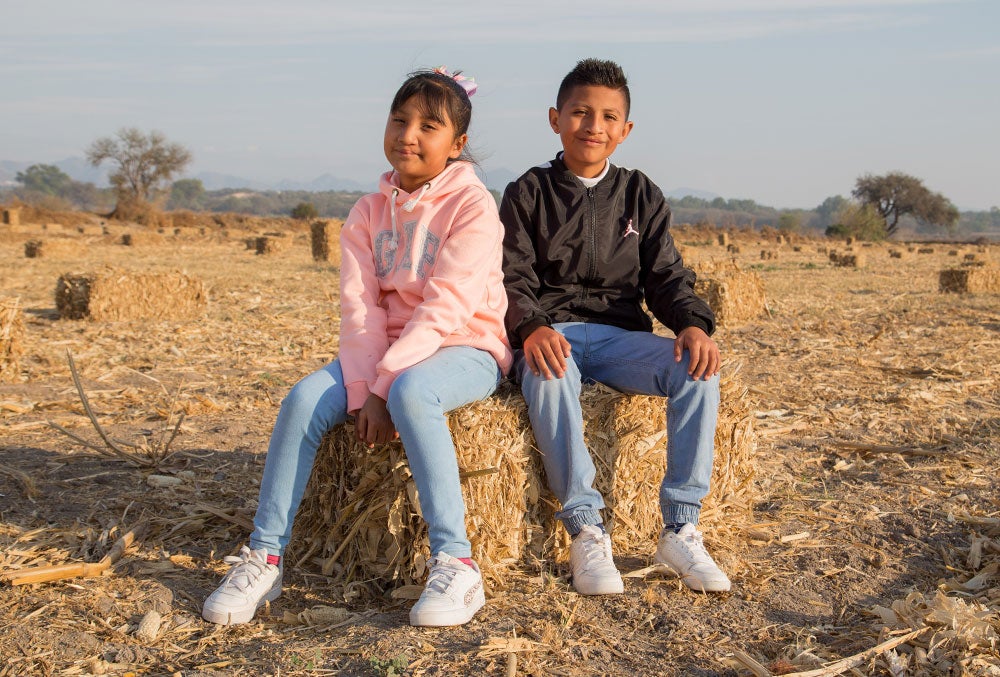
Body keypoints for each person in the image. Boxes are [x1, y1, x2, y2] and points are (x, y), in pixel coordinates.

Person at [202, 67, 513, 628]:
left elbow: (446, 308)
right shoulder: (368, 213)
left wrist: (385, 388)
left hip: (466, 345)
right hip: (386, 351)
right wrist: (363, 386)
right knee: (301, 400)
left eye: (428, 125)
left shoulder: (472, 208)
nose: (408, 135)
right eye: (399, 119)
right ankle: (265, 556)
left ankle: (456, 561)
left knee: (415, 394)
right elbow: (361, 312)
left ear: (457, 145)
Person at [500, 58, 731, 595]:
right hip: (551, 334)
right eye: (580, 112)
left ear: (625, 131)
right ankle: (585, 528)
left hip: (619, 338)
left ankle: (680, 526)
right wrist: (532, 327)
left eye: (608, 117)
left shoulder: (641, 195)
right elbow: (510, 274)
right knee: (550, 374)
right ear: (555, 119)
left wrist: (692, 324)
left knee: (696, 371)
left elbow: (667, 274)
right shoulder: (528, 191)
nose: (593, 126)